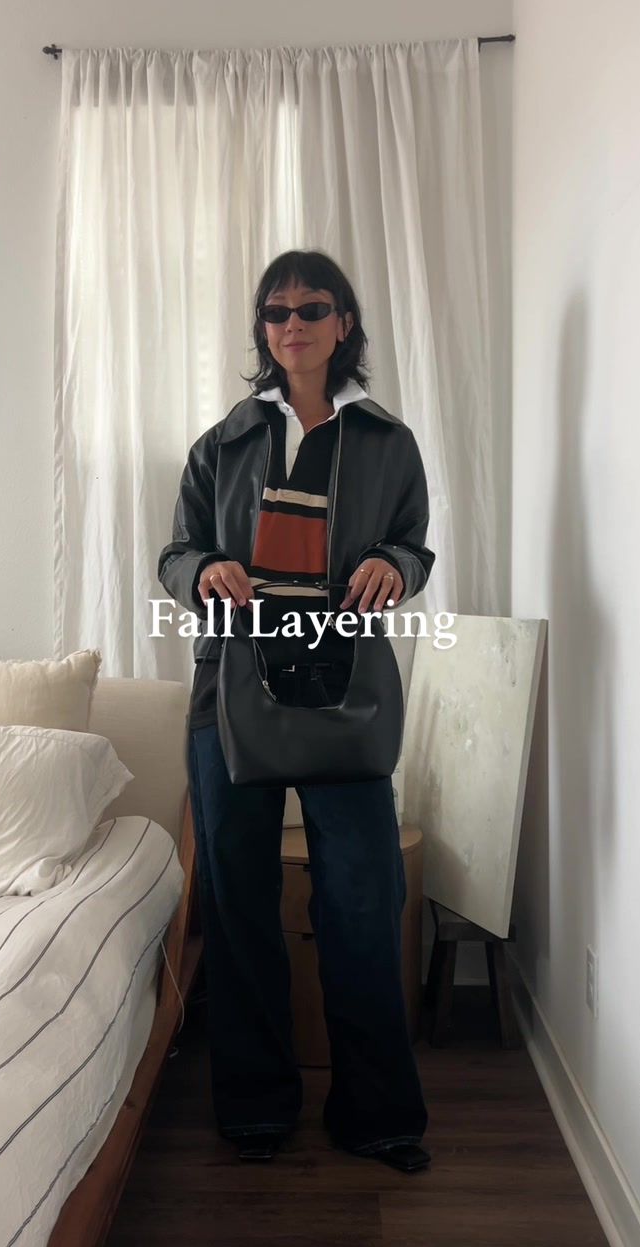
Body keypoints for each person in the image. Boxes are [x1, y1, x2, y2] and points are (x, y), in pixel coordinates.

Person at [158, 249, 436, 1172]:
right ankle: (255, 1107)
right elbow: (176, 553)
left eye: (312, 308)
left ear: (343, 323)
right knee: (239, 901)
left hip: (344, 687)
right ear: (263, 330)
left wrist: (395, 562)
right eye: (276, 312)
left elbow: (413, 543)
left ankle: (379, 1114)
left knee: (364, 899)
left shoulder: (387, 441)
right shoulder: (224, 442)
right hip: (230, 691)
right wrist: (205, 569)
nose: (293, 325)